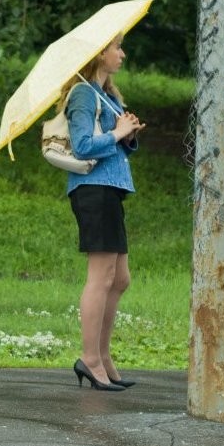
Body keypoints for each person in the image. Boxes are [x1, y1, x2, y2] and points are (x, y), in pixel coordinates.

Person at [63, 37, 145, 391]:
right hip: (93, 192)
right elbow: (81, 146)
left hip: (109, 190)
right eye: (117, 47)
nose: (122, 54)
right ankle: (90, 358)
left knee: (120, 278)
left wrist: (127, 135)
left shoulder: (106, 95)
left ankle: (103, 354)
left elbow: (113, 141)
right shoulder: (82, 95)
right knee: (101, 277)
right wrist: (117, 133)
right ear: (99, 53)